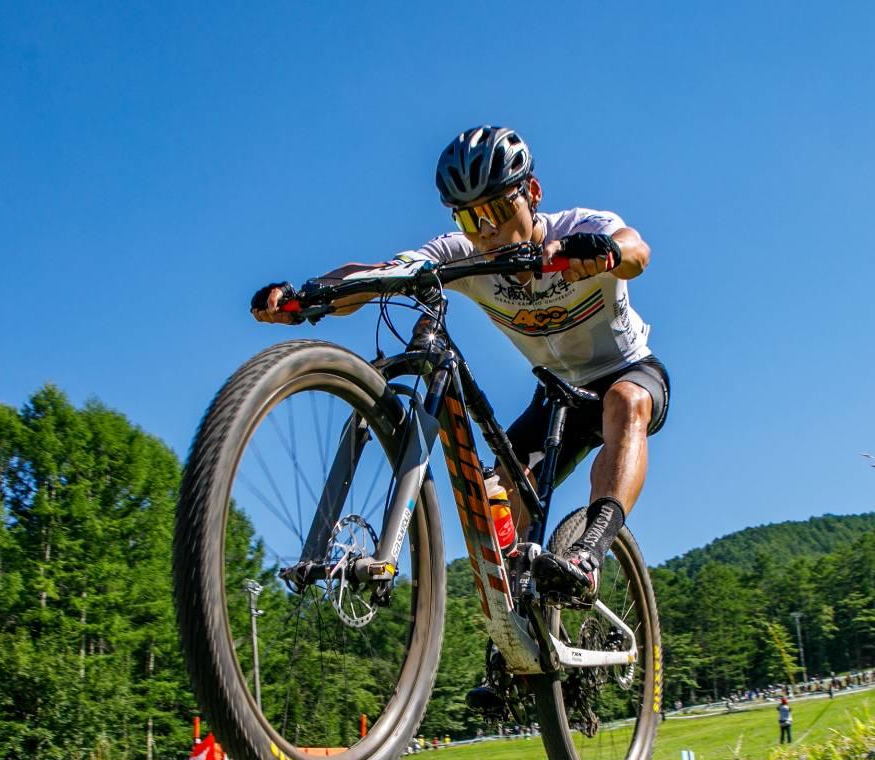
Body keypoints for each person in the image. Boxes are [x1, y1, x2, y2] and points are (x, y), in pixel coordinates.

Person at [250, 126, 663, 620]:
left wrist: (600, 251)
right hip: (554, 394)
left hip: (627, 370)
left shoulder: (578, 226)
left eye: (497, 210)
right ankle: (520, 638)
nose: (486, 229)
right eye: (470, 217)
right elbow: (384, 272)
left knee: (624, 402)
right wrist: (309, 295)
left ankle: (588, 552)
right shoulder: (464, 253)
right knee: (497, 497)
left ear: (532, 194)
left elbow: (636, 249)